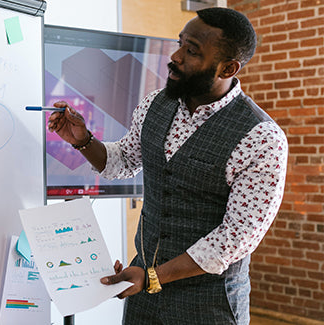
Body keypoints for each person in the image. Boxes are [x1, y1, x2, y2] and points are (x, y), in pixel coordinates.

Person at [47, 7, 288, 325]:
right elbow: (124, 161)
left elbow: (233, 239)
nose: (175, 57)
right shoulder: (154, 105)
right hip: (143, 298)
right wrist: (82, 140)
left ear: (228, 68)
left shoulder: (261, 138)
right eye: (180, 43)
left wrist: (151, 277)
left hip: (208, 307)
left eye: (192, 51)